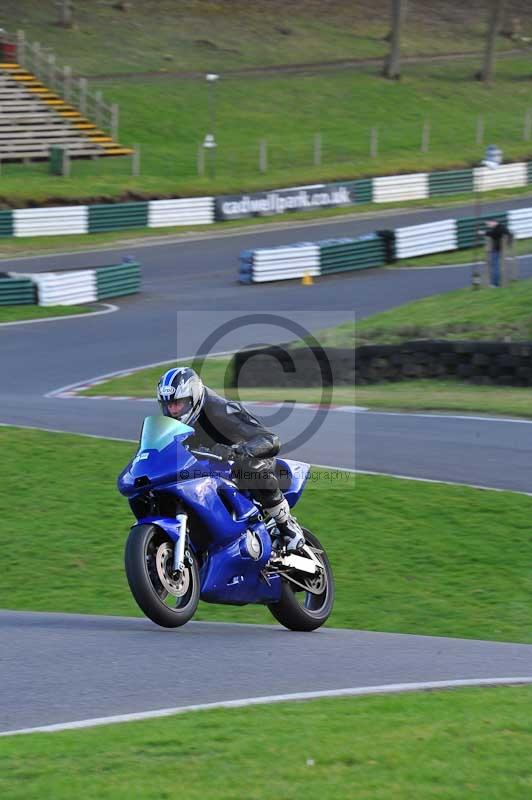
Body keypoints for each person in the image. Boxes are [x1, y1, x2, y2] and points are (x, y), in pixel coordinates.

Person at [156, 366, 305, 551]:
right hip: (207, 472)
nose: (173, 410)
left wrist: (238, 450)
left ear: (193, 398)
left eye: (178, 404)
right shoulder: (172, 426)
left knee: (247, 467)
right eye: (169, 405)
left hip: (248, 464)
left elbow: (270, 440)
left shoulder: (222, 410)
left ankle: (286, 525)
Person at [483, 220, 513, 288]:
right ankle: (495, 283)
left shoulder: (499, 228)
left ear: (494, 222)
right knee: (495, 265)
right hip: (498, 249)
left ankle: (495, 283)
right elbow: (493, 233)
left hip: (497, 249)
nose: (489, 225)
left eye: (489, 224)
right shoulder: (501, 228)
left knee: (495, 266)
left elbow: (493, 234)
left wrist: (483, 232)